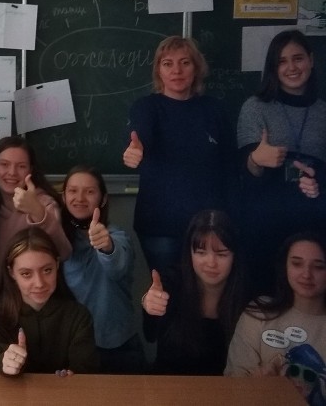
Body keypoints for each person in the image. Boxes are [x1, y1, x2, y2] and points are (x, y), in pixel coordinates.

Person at [123, 36, 235, 275]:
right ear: (158, 70)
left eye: (185, 62)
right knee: (166, 292)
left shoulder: (214, 110)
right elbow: (139, 138)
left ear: (196, 68)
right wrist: (134, 152)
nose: (177, 70)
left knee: (208, 293)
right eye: (168, 63)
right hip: (161, 226)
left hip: (209, 226)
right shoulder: (146, 107)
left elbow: (230, 166)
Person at [236, 29, 326, 297]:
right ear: (273, 68)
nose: (291, 68)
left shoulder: (323, 112)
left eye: (298, 58)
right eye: (282, 61)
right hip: (265, 227)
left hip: (312, 228)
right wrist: (256, 159)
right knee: (264, 300)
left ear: (311, 60)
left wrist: (319, 182)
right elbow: (244, 176)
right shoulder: (255, 108)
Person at [0, 227, 99, 375]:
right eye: (26, 274)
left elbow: (86, 369)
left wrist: (75, 375)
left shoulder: (78, 316)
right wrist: (3, 360)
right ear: (11, 273)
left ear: (57, 265)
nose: (39, 283)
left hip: (63, 390)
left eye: (47, 270)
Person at [142, 209, 249, 375]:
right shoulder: (172, 282)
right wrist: (148, 303)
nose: (211, 263)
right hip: (171, 385)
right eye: (201, 253)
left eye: (221, 254)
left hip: (227, 388)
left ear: (234, 256)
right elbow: (150, 333)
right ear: (189, 253)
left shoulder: (248, 295)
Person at [60, 165, 145, 374]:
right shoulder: (59, 240)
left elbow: (118, 265)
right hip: (74, 347)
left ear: (103, 199)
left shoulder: (116, 236)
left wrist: (106, 246)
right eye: (73, 191)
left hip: (118, 349)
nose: (80, 198)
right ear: (63, 197)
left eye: (89, 191)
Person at [225, 232, 326, 406]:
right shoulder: (259, 313)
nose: (306, 274)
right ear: (284, 266)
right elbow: (233, 383)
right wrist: (257, 384)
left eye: (318, 267)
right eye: (297, 264)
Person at [0, 136, 71, 271]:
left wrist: (38, 212)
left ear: (30, 171)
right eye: (4, 164)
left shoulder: (44, 204)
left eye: (21, 166)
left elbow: (63, 252)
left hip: (28, 282)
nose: (12, 172)